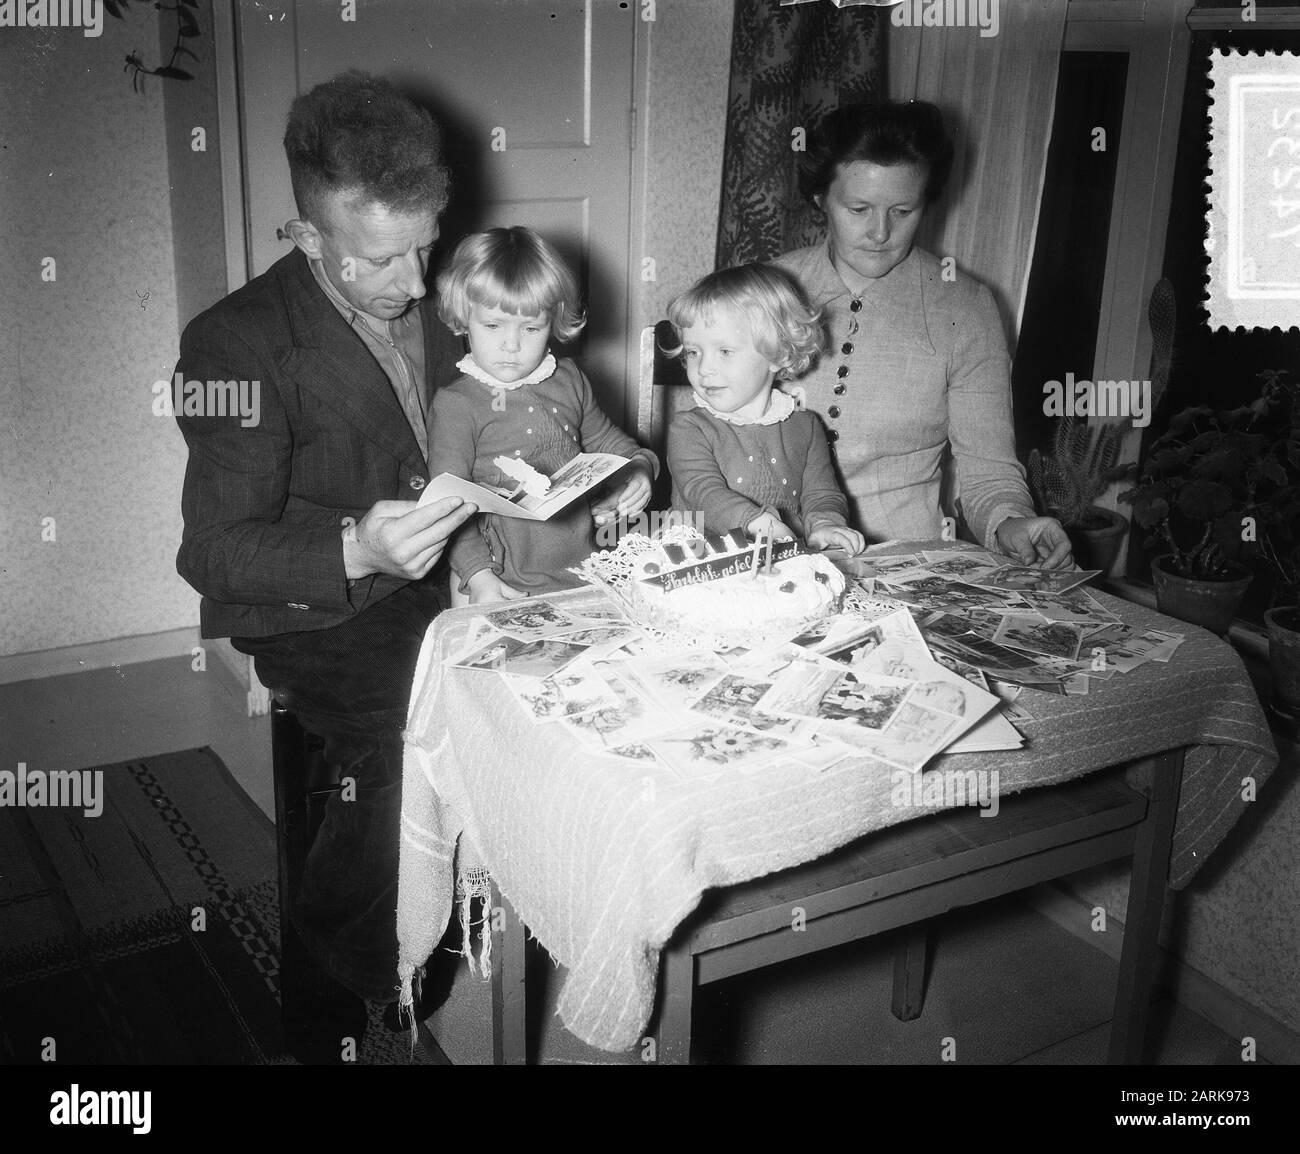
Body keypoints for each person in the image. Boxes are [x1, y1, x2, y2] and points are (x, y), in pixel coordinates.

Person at [173, 71, 474, 1060]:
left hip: (441, 569)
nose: (419, 285)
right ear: (309, 237)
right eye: (385, 261)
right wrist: (358, 547)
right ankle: (351, 969)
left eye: (425, 247)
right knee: (415, 729)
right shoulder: (231, 344)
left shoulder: (432, 287)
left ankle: (464, 928)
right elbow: (211, 549)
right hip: (319, 604)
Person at [772, 100, 1073, 569]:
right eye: (858, 208)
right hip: (767, 562)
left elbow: (988, 471)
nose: (880, 232)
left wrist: (1011, 522)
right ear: (820, 200)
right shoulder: (763, 291)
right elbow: (711, 440)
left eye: (903, 210)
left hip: (905, 571)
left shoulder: (965, 307)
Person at [428, 227, 656, 602]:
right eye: (492, 325)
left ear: (555, 321)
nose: (512, 345)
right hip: (497, 579)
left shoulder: (568, 379)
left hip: (581, 569)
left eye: (531, 328)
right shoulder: (457, 405)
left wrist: (640, 467)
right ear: (464, 316)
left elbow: (611, 443)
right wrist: (479, 577)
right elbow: (446, 506)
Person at [664, 263, 866, 555]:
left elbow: (821, 493)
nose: (704, 368)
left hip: (781, 563)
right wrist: (755, 521)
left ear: (778, 355)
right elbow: (704, 493)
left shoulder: (806, 427)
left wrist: (825, 523)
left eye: (725, 352)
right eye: (694, 352)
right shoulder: (689, 429)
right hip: (700, 562)